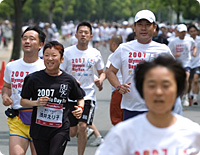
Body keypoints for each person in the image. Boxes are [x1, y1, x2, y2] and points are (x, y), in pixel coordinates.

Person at [96, 55, 200, 155]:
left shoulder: (193, 133)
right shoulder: (122, 134)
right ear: (142, 90)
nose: (158, 92)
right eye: (152, 86)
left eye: (166, 85)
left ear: (178, 89)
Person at [106, 9, 174, 121]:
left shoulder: (163, 50)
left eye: (147, 25)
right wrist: (119, 86)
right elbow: (110, 71)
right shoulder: (124, 48)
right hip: (131, 107)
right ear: (134, 27)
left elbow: (174, 74)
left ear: (154, 28)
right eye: (140, 25)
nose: (143, 28)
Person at [20, 41, 85, 155]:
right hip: (39, 129)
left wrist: (80, 108)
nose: (50, 59)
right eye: (46, 55)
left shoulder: (68, 80)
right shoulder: (33, 78)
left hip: (60, 129)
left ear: (61, 59)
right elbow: (23, 101)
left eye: (54, 55)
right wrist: (37, 102)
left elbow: (80, 97)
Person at [60, 21, 106, 155]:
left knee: (82, 126)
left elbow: (102, 72)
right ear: (75, 35)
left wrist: (100, 80)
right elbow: (60, 72)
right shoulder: (67, 53)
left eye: (86, 33)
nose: (83, 35)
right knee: (72, 131)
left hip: (87, 96)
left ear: (91, 36)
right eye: (80, 32)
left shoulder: (95, 53)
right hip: (69, 96)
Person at [2, 26, 46, 155]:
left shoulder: (46, 67)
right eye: (24, 38)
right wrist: (5, 96)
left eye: (32, 39)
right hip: (18, 119)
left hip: (40, 119)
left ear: (40, 45)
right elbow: (7, 86)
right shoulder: (11, 66)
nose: (27, 41)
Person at [168, 24, 197, 107]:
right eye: (181, 32)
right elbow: (168, 52)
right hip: (177, 64)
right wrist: (174, 55)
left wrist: (194, 52)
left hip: (187, 63)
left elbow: (194, 46)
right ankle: (179, 95)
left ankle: (185, 96)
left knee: (186, 78)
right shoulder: (173, 41)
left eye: (184, 32)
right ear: (178, 32)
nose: (183, 34)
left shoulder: (189, 40)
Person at [106, 35, 123, 125]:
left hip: (118, 90)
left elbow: (108, 72)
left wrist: (100, 80)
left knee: (117, 119)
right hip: (128, 88)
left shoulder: (113, 55)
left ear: (113, 44)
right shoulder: (126, 53)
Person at [188, 24, 200, 105]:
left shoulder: (199, 40)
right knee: (189, 82)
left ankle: (195, 98)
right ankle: (189, 94)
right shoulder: (187, 40)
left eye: (194, 31)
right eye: (191, 31)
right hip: (188, 63)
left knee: (195, 80)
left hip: (198, 63)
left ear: (197, 31)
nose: (193, 33)